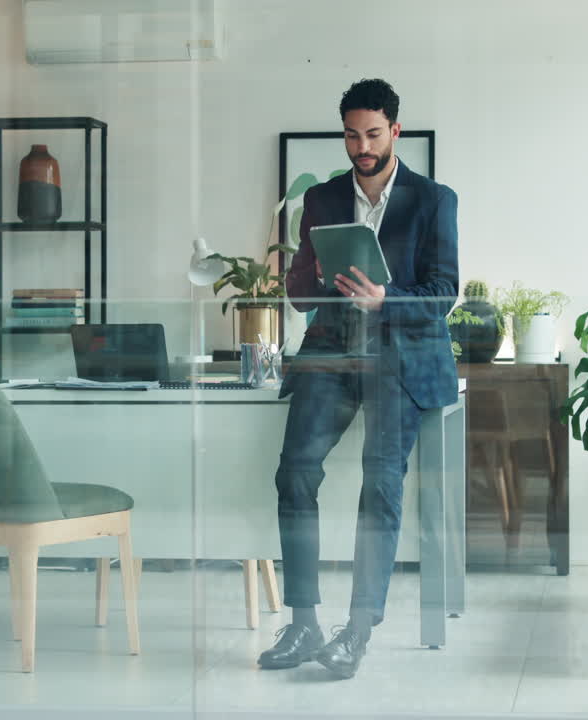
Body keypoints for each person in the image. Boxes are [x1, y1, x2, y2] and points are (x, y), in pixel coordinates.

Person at [258, 78, 459, 679]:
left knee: (381, 485)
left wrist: (385, 298)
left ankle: (358, 631)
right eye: (352, 134)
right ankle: (303, 622)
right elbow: (297, 296)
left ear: (395, 131)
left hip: (401, 360)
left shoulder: (433, 200)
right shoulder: (320, 201)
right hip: (333, 354)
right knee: (294, 472)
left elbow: (444, 291)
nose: (362, 145)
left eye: (373, 134)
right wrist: (315, 275)